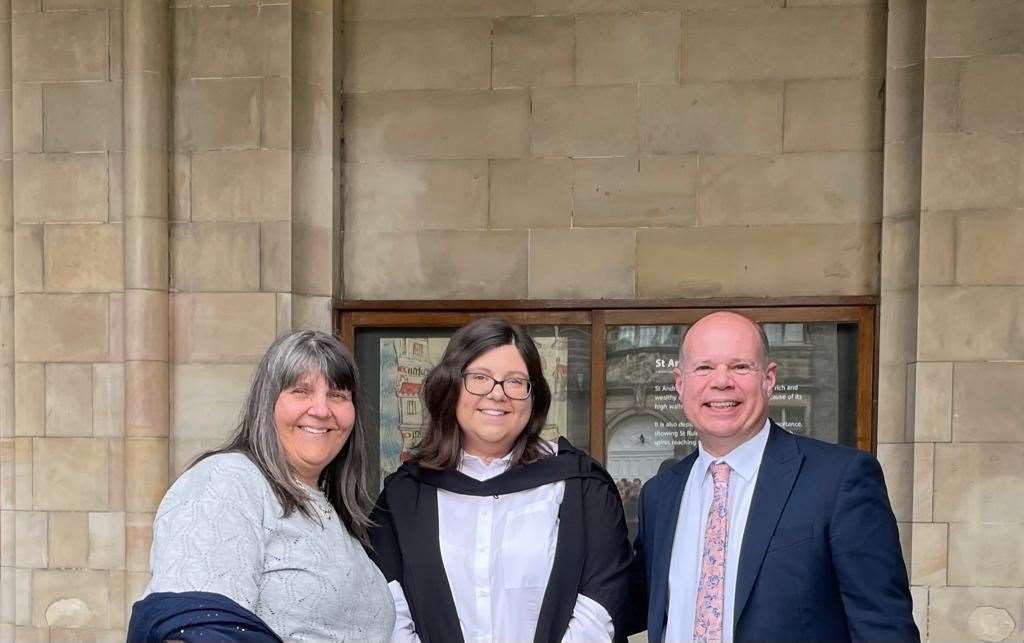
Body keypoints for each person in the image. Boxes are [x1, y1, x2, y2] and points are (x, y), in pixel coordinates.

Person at [625, 311, 918, 642]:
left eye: (740, 366)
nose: (721, 381)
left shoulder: (839, 481)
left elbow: (883, 627)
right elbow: (627, 603)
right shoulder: (660, 495)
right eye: (704, 367)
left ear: (769, 378)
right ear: (680, 383)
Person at [370, 317, 631, 643]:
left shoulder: (582, 487)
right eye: (479, 378)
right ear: (451, 387)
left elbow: (600, 606)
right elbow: (388, 609)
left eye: (515, 382)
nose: (497, 394)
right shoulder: (405, 496)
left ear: (533, 396)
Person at [128, 330, 395, 642]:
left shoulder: (333, 511)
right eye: (301, 391)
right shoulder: (226, 483)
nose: (321, 410)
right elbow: (193, 629)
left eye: (337, 395)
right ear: (266, 403)